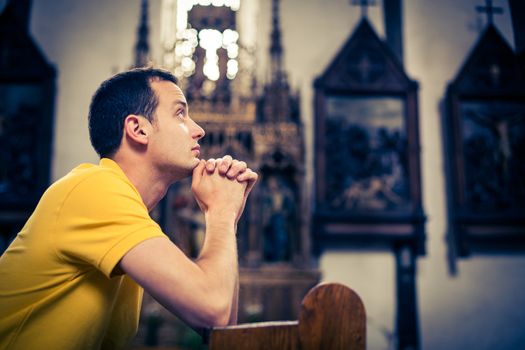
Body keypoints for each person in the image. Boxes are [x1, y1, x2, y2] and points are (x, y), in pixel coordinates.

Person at [0, 67, 258, 350]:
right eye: (180, 113)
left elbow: (221, 327)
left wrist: (227, 216)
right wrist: (220, 211)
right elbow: (214, 311)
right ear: (138, 129)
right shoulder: (95, 188)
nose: (199, 130)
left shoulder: (130, 213)